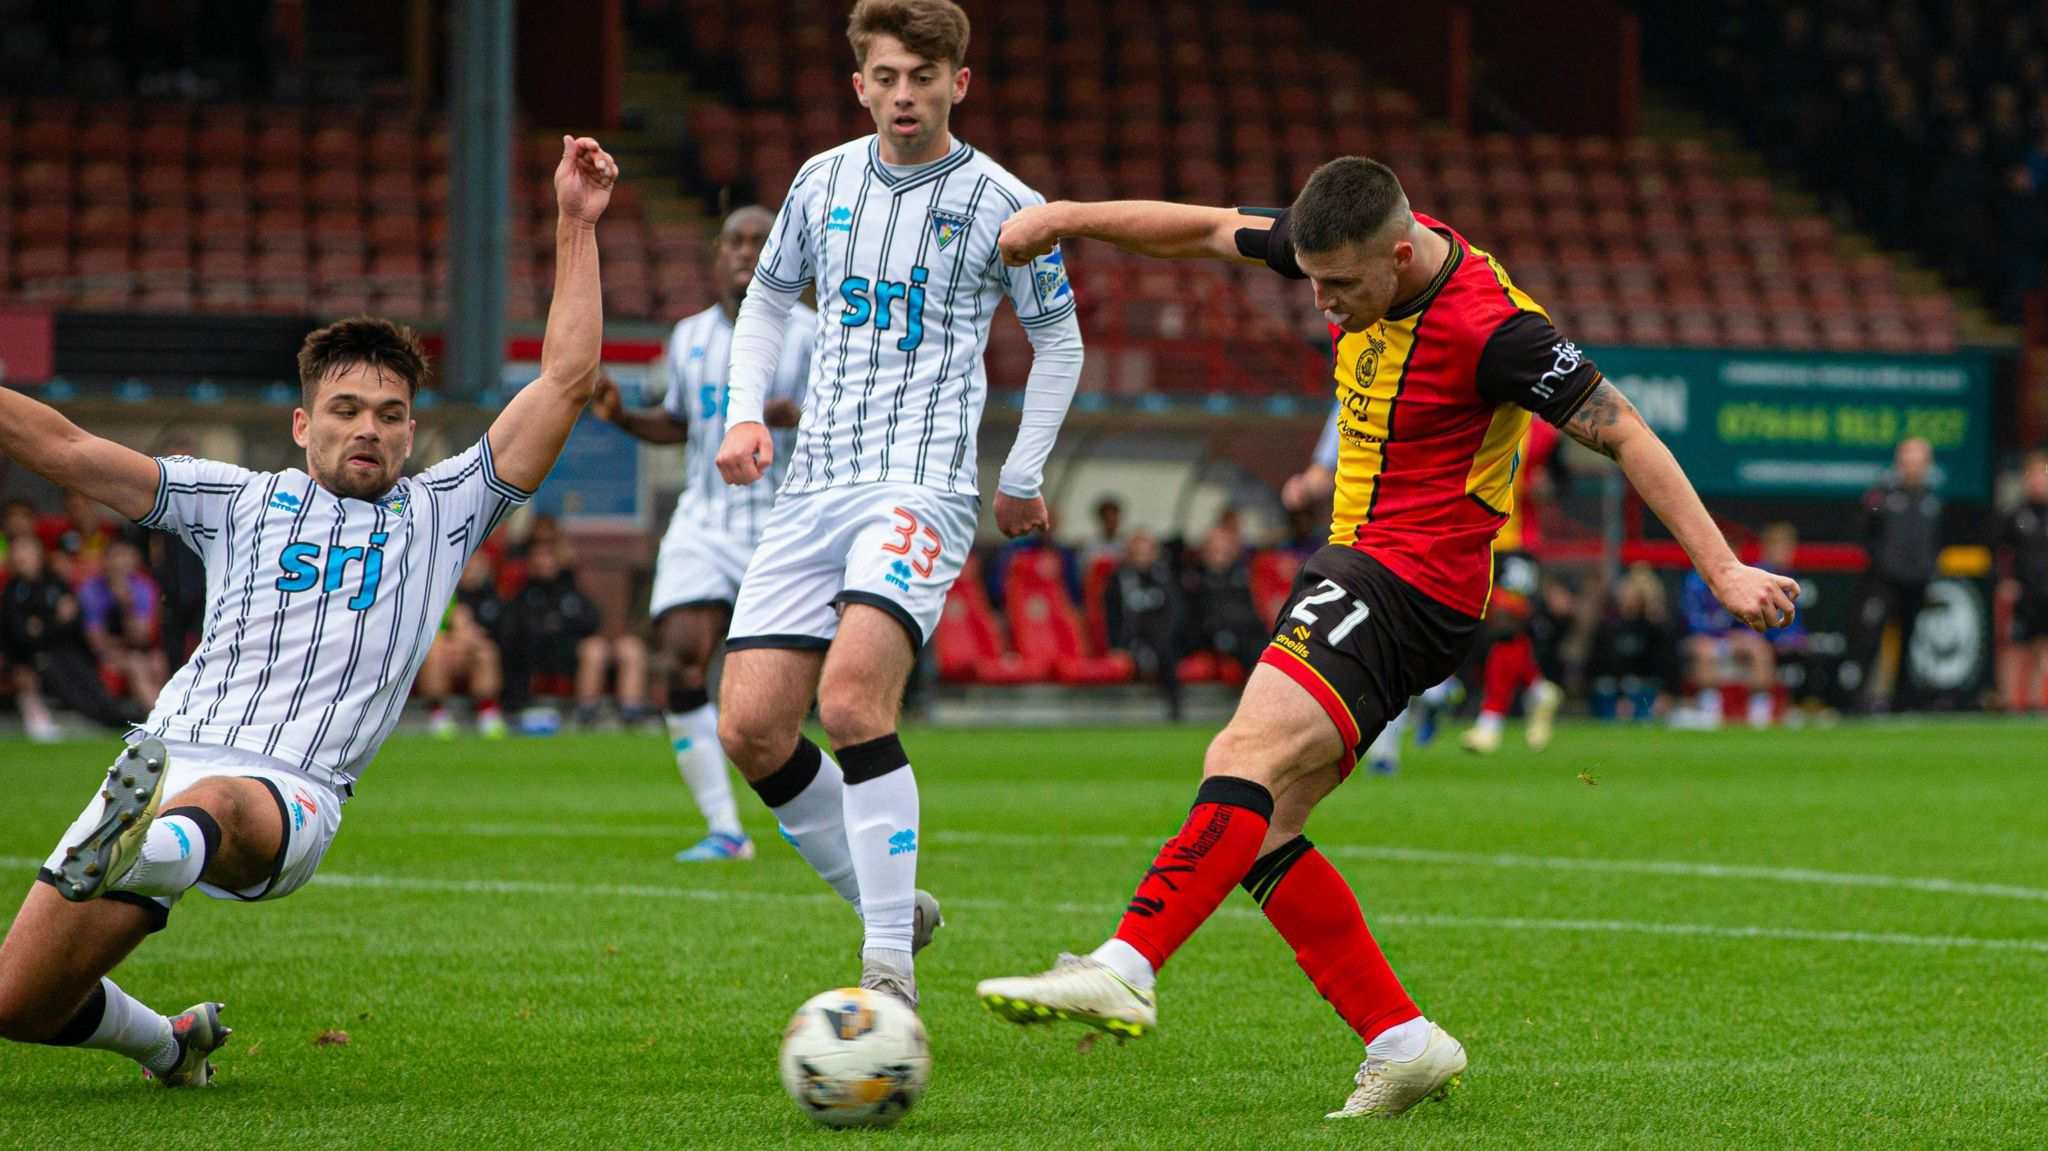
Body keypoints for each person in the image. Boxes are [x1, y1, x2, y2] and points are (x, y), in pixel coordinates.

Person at [975, 157, 1797, 1118]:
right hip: (1369, 567)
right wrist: (1068, 215)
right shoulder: (1345, 243)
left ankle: (1125, 963)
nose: (1321, 304)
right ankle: (1402, 1039)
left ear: (1401, 256)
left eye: (1340, 288)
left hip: (1409, 580)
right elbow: (1201, 228)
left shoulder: (1494, 330)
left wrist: (1725, 568)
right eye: (1312, 281)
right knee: (1262, 819)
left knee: (1242, 752)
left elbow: (1624, 431)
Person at [0, 135, 618, 1087]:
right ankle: (170, 1042)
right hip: (164, 752)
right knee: (19, 1003)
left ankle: (149, 844)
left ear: (414, 430)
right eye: (344, 408)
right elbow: (74, 452)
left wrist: (576, 222)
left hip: (288, 790)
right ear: (302, 423)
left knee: (214, 807)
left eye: (389, 411)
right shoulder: (236, 498)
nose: (367, 426)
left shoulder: (446, 512)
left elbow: (565, 382)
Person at [711, 0, 1085, 1011]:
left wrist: (1020, 472)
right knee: (748, 726)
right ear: (860, 84)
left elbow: (1058, 339)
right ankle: (891, 903)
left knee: (849, 700)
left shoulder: (1003, 201)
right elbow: (768, 298)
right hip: (811, 483)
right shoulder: (818, 180)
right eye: (886, 76)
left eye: (924, 76)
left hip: (918, 479)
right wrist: (744, 413)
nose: (904, 94)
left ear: (959, 83)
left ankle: (886, 969)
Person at [589, 205, 815, 862]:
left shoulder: (812, 332)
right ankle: (725, 828)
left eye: (762, 242)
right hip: (704, 520)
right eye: (737, 242)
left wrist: (793, 417)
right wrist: (626, 419)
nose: (747, 252)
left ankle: (807, 807)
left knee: (786, 691)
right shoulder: (687, 336)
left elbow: (835, 418)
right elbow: (684, 422)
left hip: (784, 525)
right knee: (681, 657)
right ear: (717, 257)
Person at [2, 533, 138, 737]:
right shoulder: (13, 591)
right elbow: (23, 634)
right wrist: (56, 620)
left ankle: (116, 714)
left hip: (67, 649)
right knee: (64, 682)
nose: (22, 556)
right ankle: (105, 720)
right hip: (34, 656)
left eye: (26, 550)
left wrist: (44, 624)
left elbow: (74, 618)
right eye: (18, 551)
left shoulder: (54, 582)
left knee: (88, 679)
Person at [1846, 437, 1943, 712]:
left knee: (1909, 642)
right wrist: (1882, 564)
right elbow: (1865, 532)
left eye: (1919, 459)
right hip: (1882, 582)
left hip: (1916, 583)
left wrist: (1928, 570)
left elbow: (1936, 541)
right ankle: (1857, 701)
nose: (1913, 465)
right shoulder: (1881, 496)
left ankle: (1902, 703)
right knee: (1869, 640)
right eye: (1908, 458)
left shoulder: (1932, 500)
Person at [417, 552, 510, 738]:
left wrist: (468, 641)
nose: (473, 572)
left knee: (486, 651)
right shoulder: (441, 594)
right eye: (469, 567)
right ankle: (438, 713)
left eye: (477, 566)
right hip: (445, 652)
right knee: (436, 650)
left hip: (469, 653)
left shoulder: (491, 596)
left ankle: (487, 713)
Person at [77, 538, 170, 712]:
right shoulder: (90, 589)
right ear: (105, 560)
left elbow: (141, 636)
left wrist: (127, 604)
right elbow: (96, 642)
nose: (119, 563)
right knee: (136, 665)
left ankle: (164, 714)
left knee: (158, 662)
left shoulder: (143, 588)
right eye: (114, 557)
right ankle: (159, 718)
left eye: (124, 557)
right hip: (99, 655)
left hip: (135, 649)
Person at [1103, 529, 1183, 719]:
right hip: (1134, 642)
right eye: (1137, 552)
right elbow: (1112, 618)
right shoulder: (1119, 580)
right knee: (1150, 656)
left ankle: (1175, 709)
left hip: (1164, 640)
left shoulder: (1165, 578)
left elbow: (1176, 613)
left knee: (1166, 653)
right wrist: (1115, 646)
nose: (1142, 557)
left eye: (1146, 551)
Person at [1996, 451, 2048, 711]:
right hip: (2022, 592)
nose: (2039, 481)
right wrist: (2006, 581)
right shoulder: (2015, 514)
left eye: (2044, 475)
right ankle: (2010, 702)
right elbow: (1998, 550)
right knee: (2016, 647)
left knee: (2042, 646)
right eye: (2035, 475)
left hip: (2046, 591)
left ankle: (2039, 702)